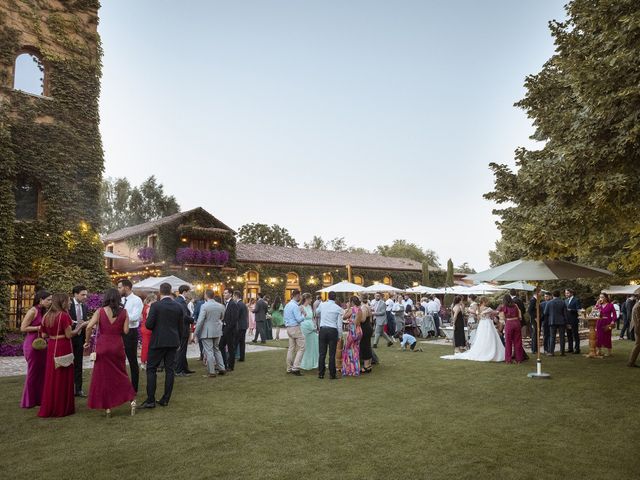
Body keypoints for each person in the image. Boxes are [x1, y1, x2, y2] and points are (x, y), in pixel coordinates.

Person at [84, 288, 137, 417]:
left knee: (103, 377)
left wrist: (87, 341)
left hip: (103, 345)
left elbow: (89, 326)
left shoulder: (100, 311)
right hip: (117, 346)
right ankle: (132, 400)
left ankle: (108, 407)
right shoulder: (124, 312)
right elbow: (125, 331)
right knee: (121, 374)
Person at [38, 293, 84, 418]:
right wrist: (81, 326)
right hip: (63, 346)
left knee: (52, 376)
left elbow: (43, 335)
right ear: (62, 302)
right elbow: (69, 335)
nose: (69, 303)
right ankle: (62, 407)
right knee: (63, 376)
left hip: (52, 346)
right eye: (68, 301)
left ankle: (51, 405)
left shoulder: (46, 315)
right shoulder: (64, 316)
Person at [140, 282, 184, 409]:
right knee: (170, 370)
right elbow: (180, 327)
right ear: (170, 291)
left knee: (151, 369)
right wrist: (179, 342)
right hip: (173, 341)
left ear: (160, 292)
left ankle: (150, 400)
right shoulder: (178, 306)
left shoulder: (156, 306)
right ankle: (165, 399)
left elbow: (148, 325)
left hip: (158, 341)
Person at [441, 297, 505, 362]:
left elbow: (478, 317)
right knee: (489, 337)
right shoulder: (488, 309)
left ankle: (482, 350)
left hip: (482, 324)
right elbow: (495, 312)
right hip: (487, 324)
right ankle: (489, 351)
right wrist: (500, 309)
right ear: (485, 302)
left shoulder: (479, 309)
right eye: (487, 301)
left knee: (482, 338)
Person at [20, 289, 52, 409]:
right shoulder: (33, 311)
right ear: (41, 300)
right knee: (33, 373)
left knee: (42, 373)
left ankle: (39, 399)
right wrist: (39, 327)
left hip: (43, 345)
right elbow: (23, 328)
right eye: (48, 300)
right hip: (32, 345)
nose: (50, 302)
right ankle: (28, 401)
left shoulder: (44, 311)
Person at [117, 279, 143, 391]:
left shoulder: (137, 300)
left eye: (119, 287)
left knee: (132, 360)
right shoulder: (121, 300)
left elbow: (135, 317)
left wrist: (121, 317)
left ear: (126, 287)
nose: (118, 289)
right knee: (119, 360)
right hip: (119, 332)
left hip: (131, 332)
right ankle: (121, 384)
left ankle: (134, 387)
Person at [194, 290, 226, 377]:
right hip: (217, 330)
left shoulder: (204, 306)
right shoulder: (221, 306)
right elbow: (222, 318)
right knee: (216, 349)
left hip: (207, 331)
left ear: (206, 295)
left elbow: (200, 321)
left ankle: (211, 371)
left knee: (209, 351)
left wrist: (195, 333)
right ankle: (222, 368)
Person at [317, 291, 344, 379]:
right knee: (332, 354)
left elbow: (317, 312)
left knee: (322, 353)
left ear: (328, 297)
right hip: (333, 330)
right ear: (335, 298)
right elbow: (339, 324)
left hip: (323, 329)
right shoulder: (338, 308)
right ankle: (332, 374)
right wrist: (340, 335)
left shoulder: (322, 304)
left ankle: (321, 373)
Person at [68, 285, 89, 397]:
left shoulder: (84, 307)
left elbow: (85, 323)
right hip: (69, 338)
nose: (85, 296)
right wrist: (77, 324)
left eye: (86, 294)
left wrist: (86, 339)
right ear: (75, 294)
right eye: (83, 294)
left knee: (79, 364)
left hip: (80, 339)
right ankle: (68, 388)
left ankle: (79, 389)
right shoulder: (68, 306)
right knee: (68, 364)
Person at [283, 289, 306, 376]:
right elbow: (299, 319)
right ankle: (296, 368)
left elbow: (284, 318)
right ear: (297, 296)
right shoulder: (295, 306)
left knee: (291, 348)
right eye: (300, 296)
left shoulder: (287, 305)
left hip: (288, 328)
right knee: (302, 348)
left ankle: (289, 368)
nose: (300, 297)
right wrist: (303, 314)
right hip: (295, 327)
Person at [174, 284, 194, 377]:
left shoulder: (179, 300)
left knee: (183, 350)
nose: (190, 293)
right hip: (182, 329)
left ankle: (184, 368)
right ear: (185, 292)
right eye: (189, 291)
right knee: (181, 350)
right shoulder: (181, 301)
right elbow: (184, 316)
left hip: (181, 328)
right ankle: (178, 370)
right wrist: (193, 320)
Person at [341, 296, 363, 376]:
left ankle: (348, 370)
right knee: (356, 350)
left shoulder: (351, 309)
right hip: (359, 331)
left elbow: (344, 317)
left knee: (347, 350)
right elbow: (359, 321)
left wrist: (347, 308)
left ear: (351, 302)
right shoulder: (360, 310)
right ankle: (356, 370)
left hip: (352, 331)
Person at [498, 294, 524, 363]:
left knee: (508, 342)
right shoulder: (515, 305)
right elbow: (520, 315)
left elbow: (502, 318)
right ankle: (519, 359)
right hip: (517, 323)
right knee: (518, 342)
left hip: (509, 323)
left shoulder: (503, 307)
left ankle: (508, 360)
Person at [220, 288, 240, 372]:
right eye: (223, 293)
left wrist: (227, 329)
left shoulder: (233, 304)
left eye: (225, 293)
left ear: (230, 294)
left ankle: (230, 366)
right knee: (221, 346)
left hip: (230, 330)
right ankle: (224, 363)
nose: (224, 294)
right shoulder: (225, 304)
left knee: (231, 348)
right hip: (225, 328)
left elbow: (234, 319)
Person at [544, 290, 568, 356]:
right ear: (559, 295)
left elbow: (545, 313)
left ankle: (551, 352)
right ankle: (562, 352)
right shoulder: (563, 302)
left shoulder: (549, 303)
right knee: (562, 337)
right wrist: (567, 322)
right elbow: (565, 314)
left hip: (552, 321)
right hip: (561, 321)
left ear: (553, 295)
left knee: (552, 337)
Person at [299, 293, 319, 370]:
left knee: (314, 344)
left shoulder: (310, 307)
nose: (311, 300)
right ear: (307, 299)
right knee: (306, 345)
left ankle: (314, 361)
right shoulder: (301, 307)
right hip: (304, 328)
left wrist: (315, 325)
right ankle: (305, 362)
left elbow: (312, 318)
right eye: (310, 299)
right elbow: (299, 318)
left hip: (312, 327)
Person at [594, 292, 616, 357]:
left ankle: (609, 352)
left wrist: (613, 321)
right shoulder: (598, 305)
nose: (601, 298)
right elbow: (594, 313)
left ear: (606, 298)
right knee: (599, 337)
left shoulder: (610, 305)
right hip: (599, 322)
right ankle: (599, 351)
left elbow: (614, 315)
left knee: (607, 337)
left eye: (602, 297)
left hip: (608, 323)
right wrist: (597, 305)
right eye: (600, 297)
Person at [140, 294, 157, 369]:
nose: (156, 301)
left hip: (143, 327)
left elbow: (141, 318)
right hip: (148, 329)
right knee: (147, 346)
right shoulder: (149, 308)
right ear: (152, 300)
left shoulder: (144, 307)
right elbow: (149, 319)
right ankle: (144, 362)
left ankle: (143, 362)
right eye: (155, 300)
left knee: (145, 345)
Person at [359, 294, 373, 373]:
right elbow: (370, 319)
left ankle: (366, 366)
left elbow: (363, 319)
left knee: (365, 346)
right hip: (368, 327)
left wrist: (356, 317)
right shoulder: (368, 306)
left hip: (365, 328)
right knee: (367, 345)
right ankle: (369, 365)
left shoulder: (364, 307)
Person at [564, 289, 582, 354]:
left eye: (567, 293)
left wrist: (571, 310)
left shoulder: (576, 300)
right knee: (569, 335)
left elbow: (579, 309)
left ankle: (577, 349)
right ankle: (570, 348)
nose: (566, 294)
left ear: (571, 293)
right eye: (565, 293)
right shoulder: (565, 300)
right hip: (567, 320)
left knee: (575, 334)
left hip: (574, 320)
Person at [234, 291, 249, 362]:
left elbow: (236, 316)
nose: (233, 298)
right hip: (244, 325)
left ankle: (232, 356)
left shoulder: (238, 304)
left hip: (239, 326)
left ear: (236, 296)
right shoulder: (243, 304)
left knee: (235, 342)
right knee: (242, 342)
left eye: (234, 296)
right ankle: (242, 357)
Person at [627, 300, 640, 367]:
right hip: (638, 328)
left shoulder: (637, 304)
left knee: (638, 345)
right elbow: (638, 319)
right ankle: (631, 362)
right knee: (638, 345)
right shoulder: (638, 306)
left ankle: (631, 362)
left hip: (636, 327)